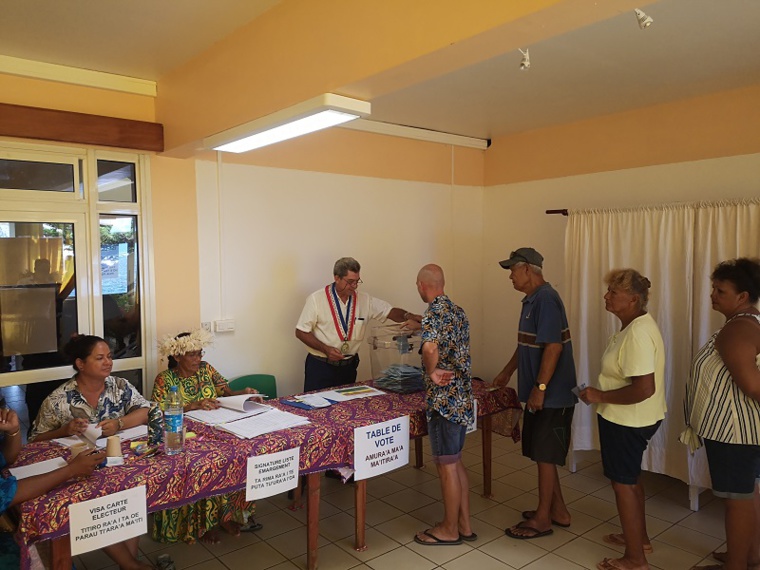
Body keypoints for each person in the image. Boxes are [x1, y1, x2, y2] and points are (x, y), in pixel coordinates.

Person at [579, 270, 666, 570]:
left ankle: (635, 559)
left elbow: (644, 388)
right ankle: (638, 540)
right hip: (632, 417)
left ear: (633, 299)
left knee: (623, 484)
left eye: (613, 293)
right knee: (630, 478)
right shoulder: (632, 326)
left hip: (629, 420)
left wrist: (599, 397)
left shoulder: (638, 332)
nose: (606, 297)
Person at [2, 406, 154, 569]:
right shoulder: (59, 399)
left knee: (120, 492)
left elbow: (5, 458)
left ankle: (130, 564)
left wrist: (13, 431)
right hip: (8, 540)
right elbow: (6, 493)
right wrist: (70, 470)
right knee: (69, 509)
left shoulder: (120, 386)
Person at [493, 247, 577, 540]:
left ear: (528, 269)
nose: (510, 277)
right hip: (539, 393)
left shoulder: (546, 299)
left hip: (553, 395)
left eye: (512, 270)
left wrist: (541, 388)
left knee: (545, 456)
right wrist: (507, 372)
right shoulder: (530, 301)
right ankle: (559, 511)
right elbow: (528, 343)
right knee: (544, 455)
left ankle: (543, 519)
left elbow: (553, 347)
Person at [682, 258, 760, 570]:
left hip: (734, 434)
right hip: (745, 431)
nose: (713, 295)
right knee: (748, 493)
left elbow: (753, 386)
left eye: (720, 290)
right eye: (713, 288)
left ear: (742, 296)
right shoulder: (750, 322)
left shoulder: (737, 330)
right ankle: (750, 556)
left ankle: (736, 566)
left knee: (736, 501)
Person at [151, 329, 261, 545]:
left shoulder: (206, 369)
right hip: (185, 437)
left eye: (200, 354)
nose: (198, 359)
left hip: (217, 431)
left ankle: (227, 516)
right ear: (177, 356)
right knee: (200, 467)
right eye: (192, 355)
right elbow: (158, 412)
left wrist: (245, 393)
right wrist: (193, 405)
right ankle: (203, 524)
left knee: (236, 458)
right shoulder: (165, 379)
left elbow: (226, 392)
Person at [412, 264, 475, 546]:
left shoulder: (433, 313)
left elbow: (429, 347)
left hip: (444, 402)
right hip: (462, 397)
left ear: (422, 285)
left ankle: (448, 529)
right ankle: (464, 525)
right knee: (456, 461)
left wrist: (432, 371)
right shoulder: (457, 311)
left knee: (446, 465)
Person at [295, 257, 421, 392]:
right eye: (350, 282)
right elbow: (301, 332)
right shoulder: (316, 299)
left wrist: (408, 316)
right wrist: (325, 349)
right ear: (337, 278)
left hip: (348, 368)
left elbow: (389, 311)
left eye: (357, 281)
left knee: (346, 409)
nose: (354, 286)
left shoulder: (364, 300)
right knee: (316, 410)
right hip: (321, 367)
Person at [30, 335, 150, 442]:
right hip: (77, 461)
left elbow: (146, 412)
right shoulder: (58, 399)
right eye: (100, 358)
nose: (108, 362)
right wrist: (64, 431)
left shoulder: (120, 386)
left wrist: (118, 424)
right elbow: (34, 439)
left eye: (109, 357)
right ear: (80, 364)